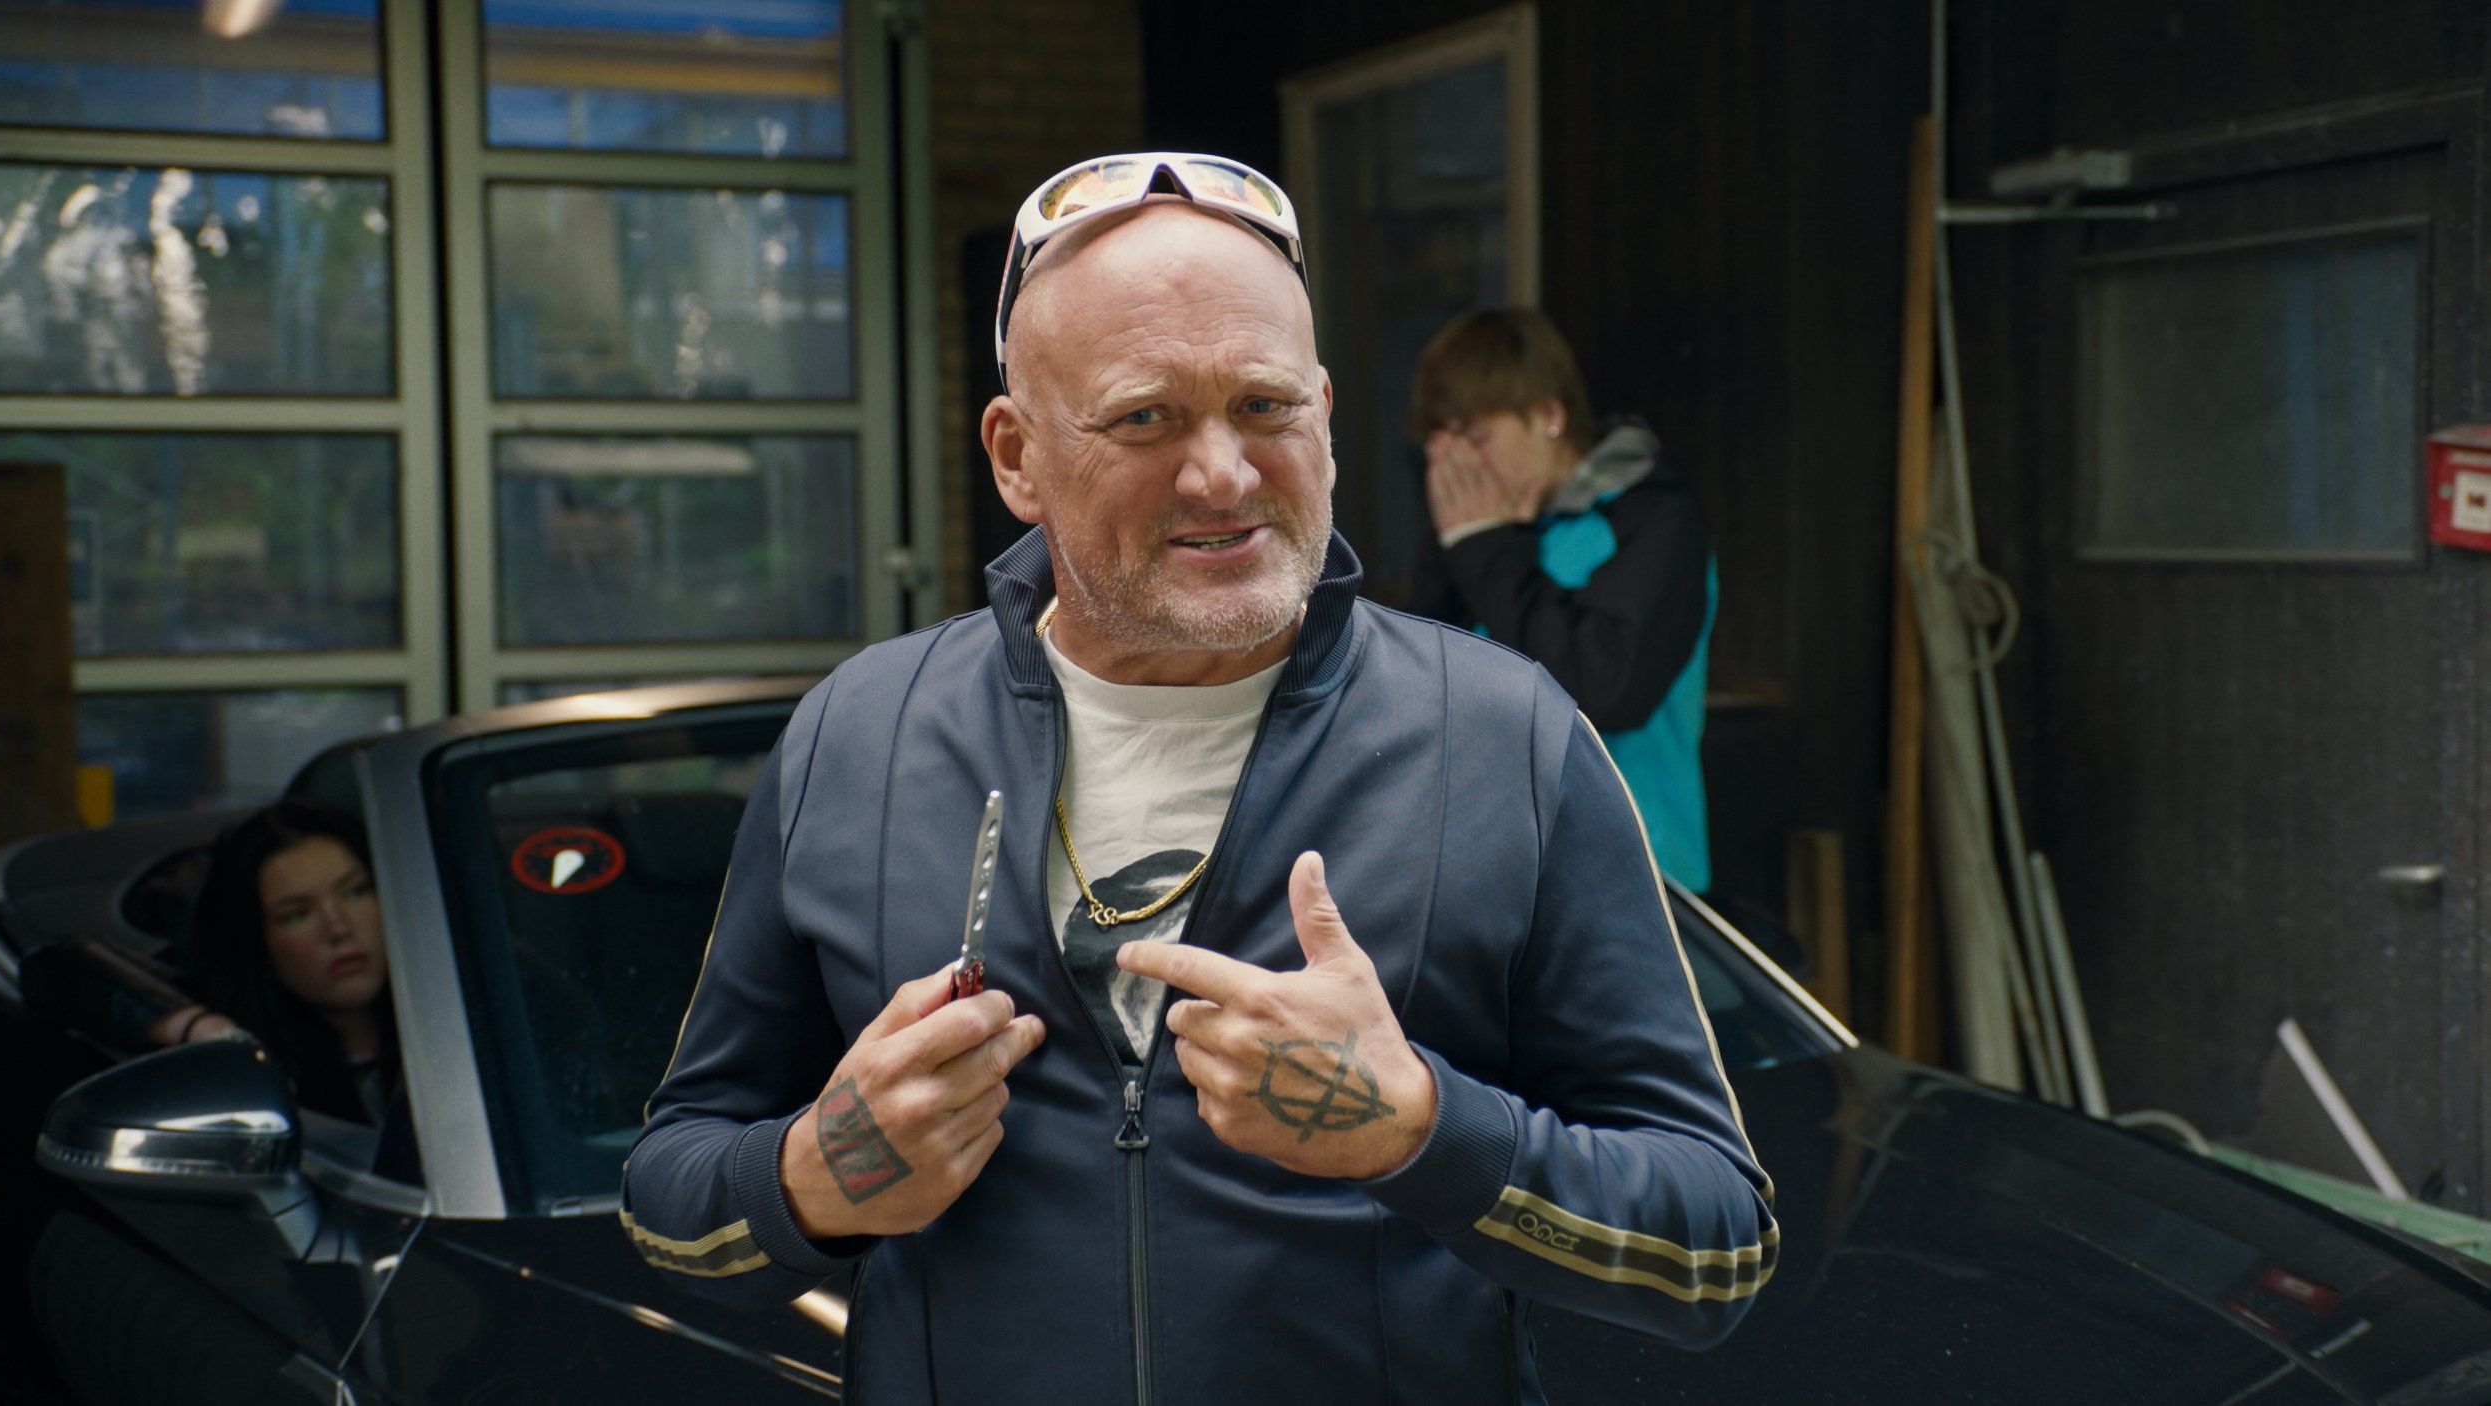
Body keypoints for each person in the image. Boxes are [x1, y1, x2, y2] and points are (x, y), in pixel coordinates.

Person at [622, 152, 1774, 1405]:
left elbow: (1714, 1248)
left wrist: (1422, 1132)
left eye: (1267, 406)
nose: (1222, 472)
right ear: (1015, 457)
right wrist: (816, 1173)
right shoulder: (860, 738)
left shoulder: (1507, 738)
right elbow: (669, 1203)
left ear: (1325, 412)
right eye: (1145, 417)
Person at [1405, 308, 1717, 891]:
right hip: (1492, 879)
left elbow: (1602, 685)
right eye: (1437, 443)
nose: (1455, 464)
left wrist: (1487, 548)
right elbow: (1419, 680)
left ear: (1548, 416)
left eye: (1475, 437)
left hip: (1637, 880)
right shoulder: (1475, 532)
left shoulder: (1656, 520)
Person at [169, 798, 401, 1131]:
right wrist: (195, 1025)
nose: (338, 928)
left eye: (356, 892)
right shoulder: (264, 1083)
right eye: (297, 914)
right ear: (256, 941)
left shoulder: (459, 1030)